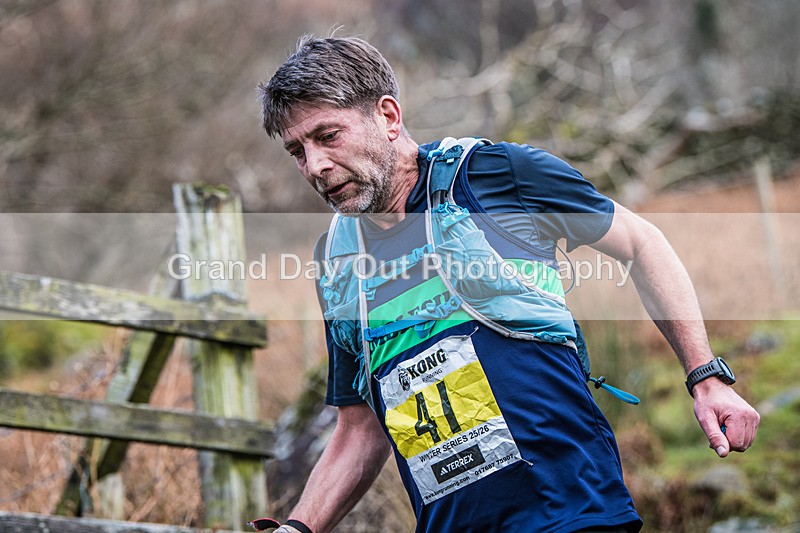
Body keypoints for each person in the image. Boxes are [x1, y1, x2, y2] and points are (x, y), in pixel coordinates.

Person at [255, 35, 760, 533]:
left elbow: (641, 243)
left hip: (569, 513)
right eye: (297, 151)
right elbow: (360, 426)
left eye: (328, 136)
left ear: (387, 116)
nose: (315, 167)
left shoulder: (495, 176)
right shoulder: (339, 262)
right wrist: (298, 528)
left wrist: (705, 376)